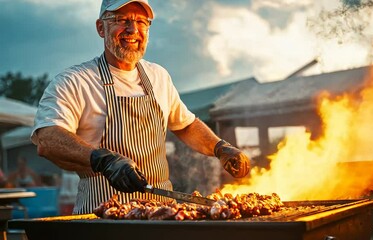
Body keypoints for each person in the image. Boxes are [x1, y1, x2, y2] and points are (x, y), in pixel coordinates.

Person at [31, 0, 251, 214]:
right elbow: (47, 138)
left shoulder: (158, 76)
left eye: (141, 22)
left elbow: (186, 125)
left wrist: (220, 148)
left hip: (164, 215)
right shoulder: (75, 81)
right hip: (103, 220)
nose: (132, 29)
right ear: (100, 27)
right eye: (121, 20)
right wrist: (104, 160)